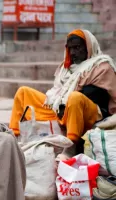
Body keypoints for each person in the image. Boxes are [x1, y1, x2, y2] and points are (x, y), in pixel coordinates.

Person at [10, 29, 116, 157]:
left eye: (77, 47)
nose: (72, 53)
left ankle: (70, 146)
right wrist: (61, 105)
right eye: (69, 48)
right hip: (60, 110)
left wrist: (66, 105)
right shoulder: (65, 68)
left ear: (88, 48)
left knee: (75, 97)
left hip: (87, 113)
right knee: (23, 92)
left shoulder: (102, 67)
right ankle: (12, 139)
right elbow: (56, 94)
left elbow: (102, 99)